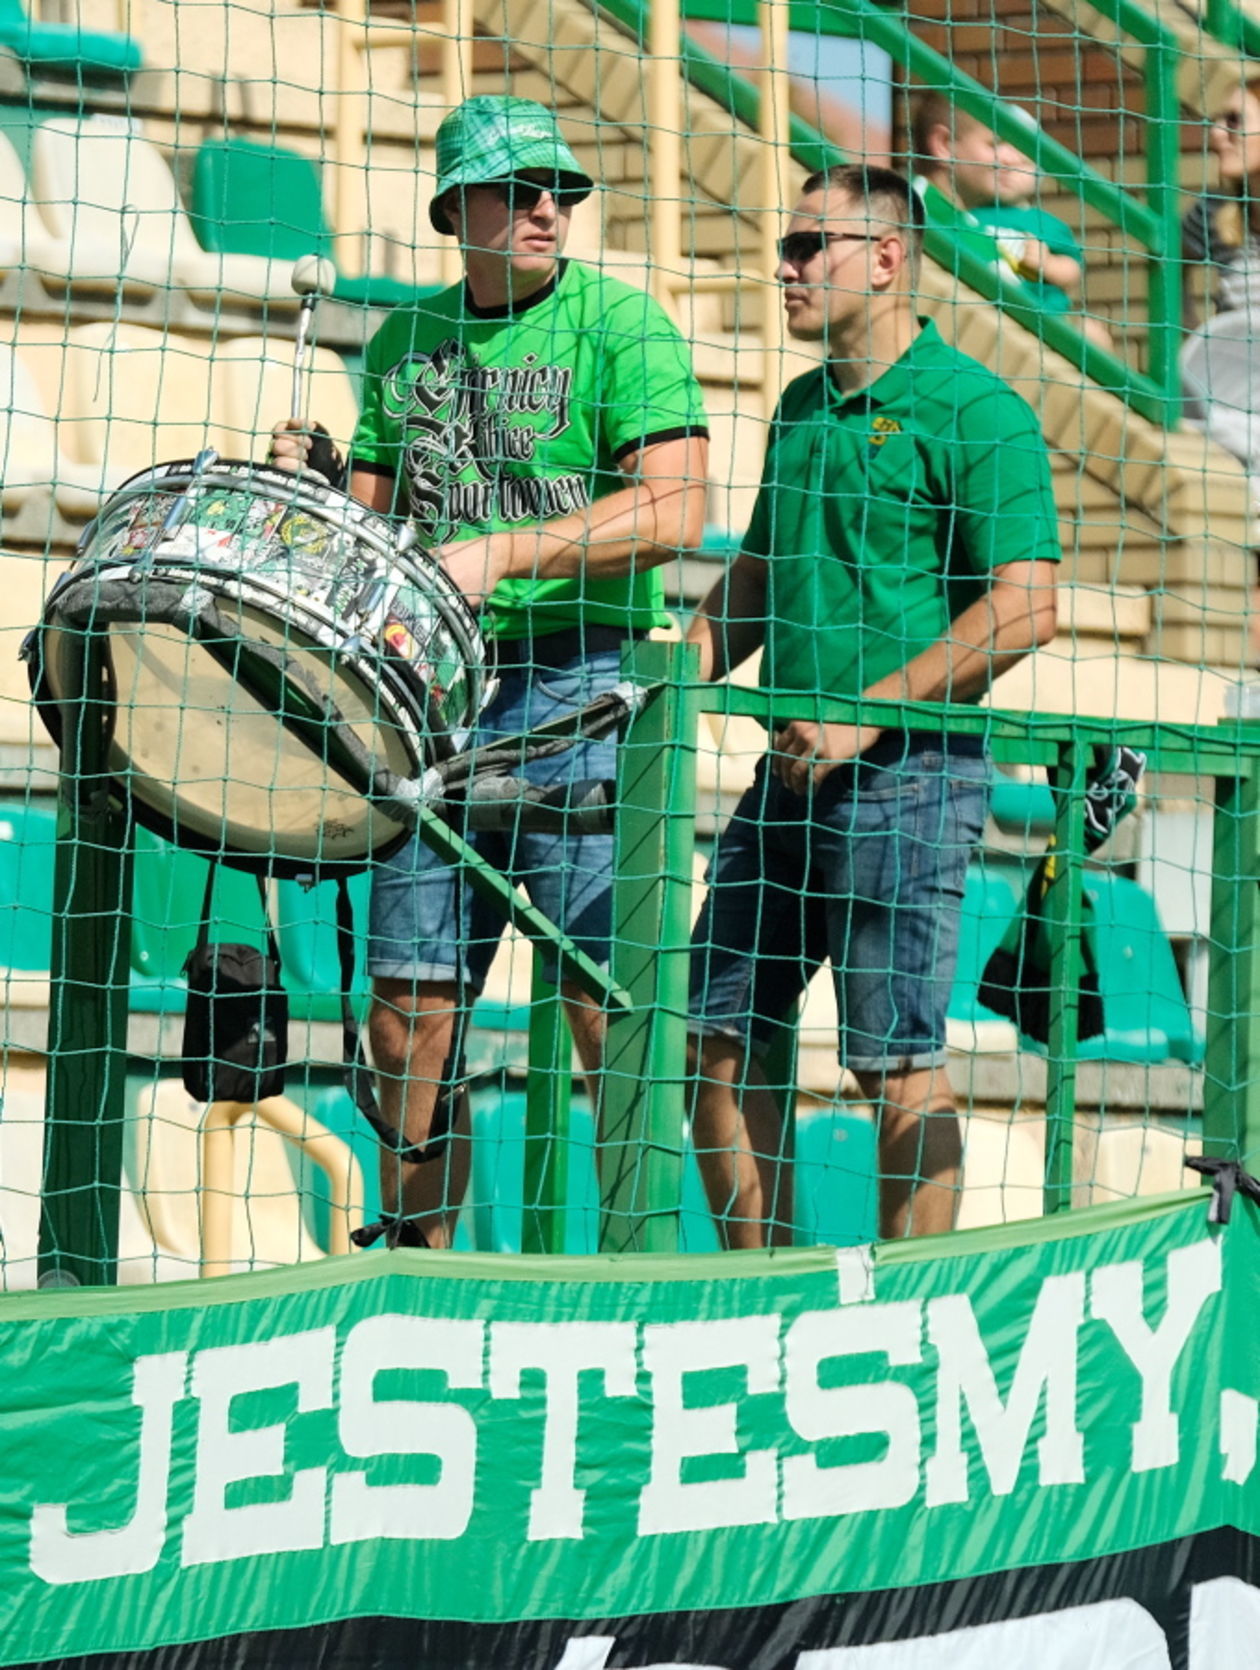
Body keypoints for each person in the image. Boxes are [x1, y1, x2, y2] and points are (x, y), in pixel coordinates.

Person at [272, 95, 709, 1247]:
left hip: (583, 675)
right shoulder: (401, 345)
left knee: (602, 999)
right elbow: (364, 538)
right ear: (454, 208)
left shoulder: (625, 325)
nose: (547, 210)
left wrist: (508, 550)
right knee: (407, 1008)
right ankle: (419, 1267)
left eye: (559, 189)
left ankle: (635, 1265)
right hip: (431, 687)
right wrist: (312, 493)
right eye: (519, 191)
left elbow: (680, 509)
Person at [685, 163, 1060, 1246]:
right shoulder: (800, 406)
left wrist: (867, 714)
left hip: (913, 775)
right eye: (786, 247)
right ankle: (762, 1298)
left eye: (811, 246)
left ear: (887, 259)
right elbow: (753, 576)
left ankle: (911, 1310)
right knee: (715, 1029)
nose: (785, 266)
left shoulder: (977, 410)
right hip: (789, 775)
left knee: (893, 1057)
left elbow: (1029, 607)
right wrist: (678, 665)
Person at [911, 93, 1111, 348]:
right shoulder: (912, 209)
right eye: (995, 143)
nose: (1011, 158)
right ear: (944, 144)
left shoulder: (971, 221)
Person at [1182, 74, 1260, 325]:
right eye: (1217, 119)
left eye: (1234, 120)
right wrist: (1194, 337)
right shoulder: (1214, 209)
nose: (1217, 132)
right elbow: (1171, 265)